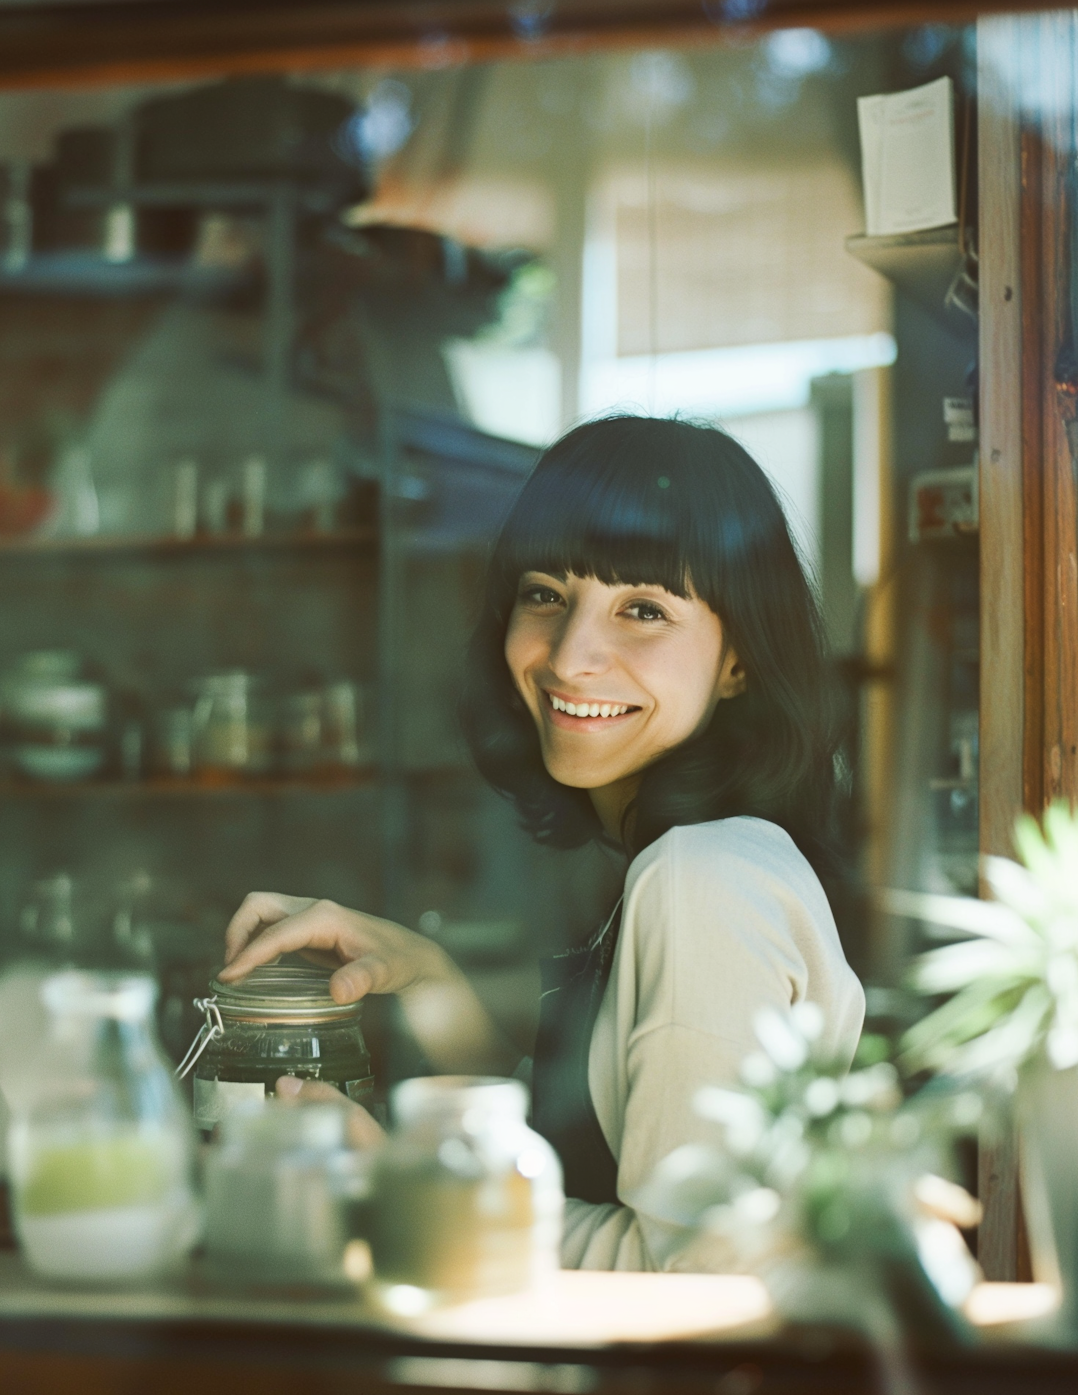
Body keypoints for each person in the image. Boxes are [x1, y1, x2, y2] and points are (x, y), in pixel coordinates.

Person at [219, 415, 865, 1272]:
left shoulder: (703, 880)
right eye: (546, 594)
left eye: (642, 609)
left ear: (739, 661)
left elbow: (697, 1273)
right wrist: (427, 973)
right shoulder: (676, 862)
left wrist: (404, 1191)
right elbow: (585, 1141)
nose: (570, 656)